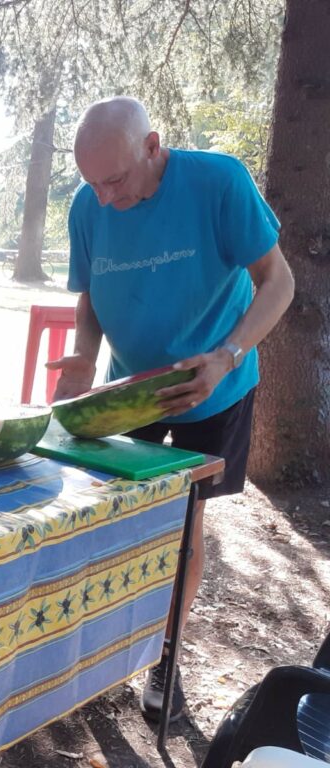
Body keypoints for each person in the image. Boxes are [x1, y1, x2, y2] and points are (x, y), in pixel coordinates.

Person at [48, 96, 295, 723]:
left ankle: (165, 652)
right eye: (91, 184)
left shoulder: (219, 181)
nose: (103, 198)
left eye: (116, 180)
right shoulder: (89, 204)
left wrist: (226, 355)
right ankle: (102, 645)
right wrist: (83, 355)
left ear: (153, 146)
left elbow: (279, 281)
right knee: (110, 514)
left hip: (211, 385)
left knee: (185, 523)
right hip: (128, 387)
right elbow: (91, 298)